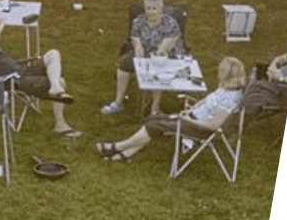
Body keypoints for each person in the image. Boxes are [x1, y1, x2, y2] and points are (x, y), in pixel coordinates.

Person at [0, 9, 80, 138]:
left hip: (21, 74)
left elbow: (3, 19)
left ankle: (55, 87)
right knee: (61, 81)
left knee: (53, 53)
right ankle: (60, 124)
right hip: (12, 82)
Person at [95, 56, 247, 162]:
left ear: (229, 75)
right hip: (192, 118)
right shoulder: (226, 90)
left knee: (153, 125)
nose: (218, 72)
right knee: (153, 119)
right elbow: (206, 102)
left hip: (199, 128)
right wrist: (191, 109)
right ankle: (127, 153)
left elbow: (213, 125)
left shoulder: (231, 98)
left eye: (221, 71)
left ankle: (118, 146)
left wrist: (186, 119)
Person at [99, 0, 183, 115]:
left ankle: (155, 108)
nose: (151, 11)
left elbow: (171, 41)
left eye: (154, 8)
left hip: (165, 55)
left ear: (161, 8)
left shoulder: (170, 23)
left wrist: (162, 49)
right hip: (143, 53)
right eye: (148, 8)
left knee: (158, 68)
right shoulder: (139, 21)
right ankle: (118, 102)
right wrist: (138, 47)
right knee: (124, 63)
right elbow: (135, 37)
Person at [241, 44, 287, 116]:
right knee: (251, 92)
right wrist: (273, 64)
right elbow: (284, 57)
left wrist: (282, 78)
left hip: (286, 88)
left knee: (254, 97)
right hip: (274, 83)